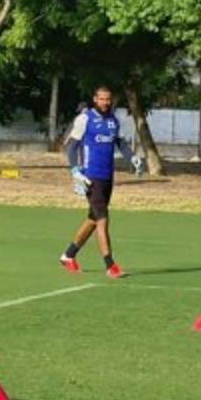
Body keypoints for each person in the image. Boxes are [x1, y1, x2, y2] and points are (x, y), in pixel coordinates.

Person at [59, 86, 144, 279]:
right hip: (91, 177)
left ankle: (68, 255)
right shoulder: (85, 119)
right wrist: (75, 171)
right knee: (103, 220)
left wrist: (133, 157)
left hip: (107, 177)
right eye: (102, 99)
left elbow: (120, 143)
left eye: (108, 99)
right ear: (95, 99)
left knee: (93, 219)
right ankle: (110, 265)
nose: (105, 102)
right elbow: (71, 148)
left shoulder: (114, 120)